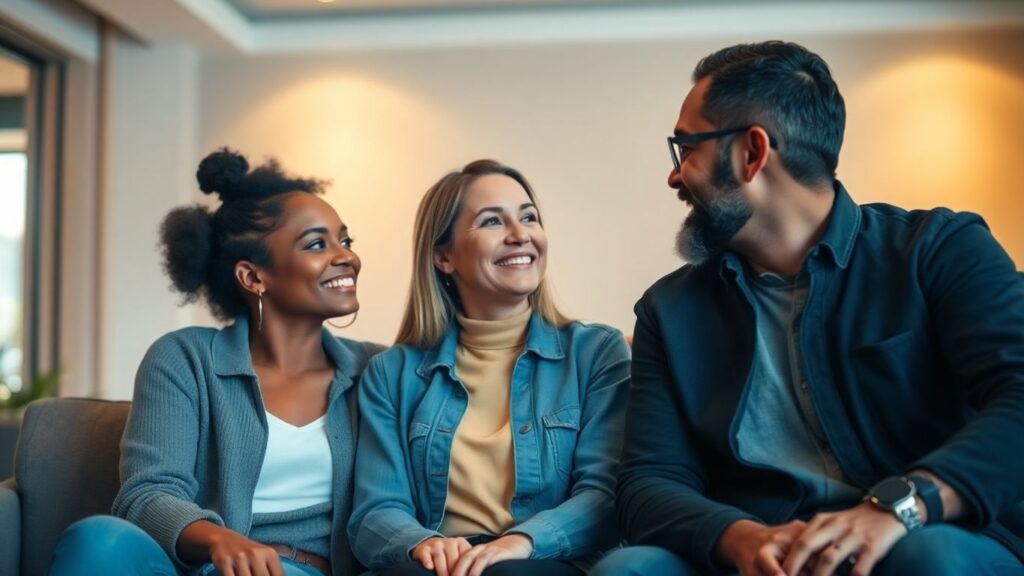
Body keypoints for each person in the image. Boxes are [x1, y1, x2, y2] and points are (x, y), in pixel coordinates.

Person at [592, 41, 1024, 576]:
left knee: (927, 556)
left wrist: (901, 508)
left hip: (926, 535)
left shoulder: (939, 249)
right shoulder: (669, 309)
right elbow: (649, 481)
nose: (675, 177)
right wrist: (738, 537)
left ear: (751, 153)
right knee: (629, 570)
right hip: (765, 554)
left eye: (687, 149)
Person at [50, 148, 384, 576]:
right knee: (98, 539)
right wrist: (221, 541)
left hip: (305, 571)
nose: (347, 257)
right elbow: (148, 493)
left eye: (346, 240)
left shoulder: (378, 370)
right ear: (253, 277)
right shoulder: (184, 359)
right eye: (318, 244)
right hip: (203, 566)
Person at [348, 159, 630, 576]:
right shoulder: (391, 374)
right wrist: (423, 543)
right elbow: (376, 511)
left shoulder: (595, 353)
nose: (520, 236)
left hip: (546, 559)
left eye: (529, 217)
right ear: (444, 256)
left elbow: (606, 494)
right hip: (436, 565)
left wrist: (522, 542)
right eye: (492, 222)